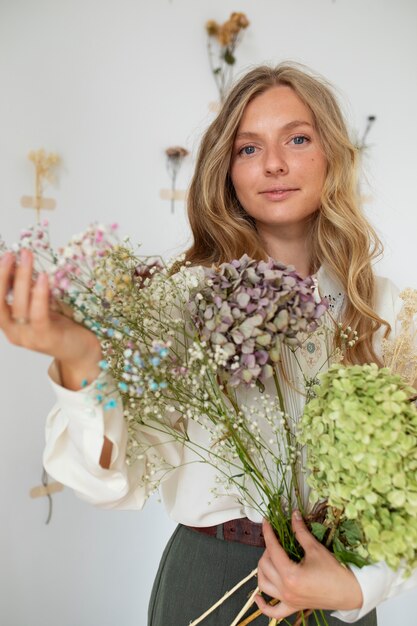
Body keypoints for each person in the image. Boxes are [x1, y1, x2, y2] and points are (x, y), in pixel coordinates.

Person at [1, 63, 416, 626]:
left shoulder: (390, 311)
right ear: (227, 172)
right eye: (248, 149)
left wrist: (356, 587)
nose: (274, 163)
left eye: (297, 139)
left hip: (338, 590)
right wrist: (81, 361)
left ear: (333, 155)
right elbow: (107, 480)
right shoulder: (178, 302)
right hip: (211, 583)